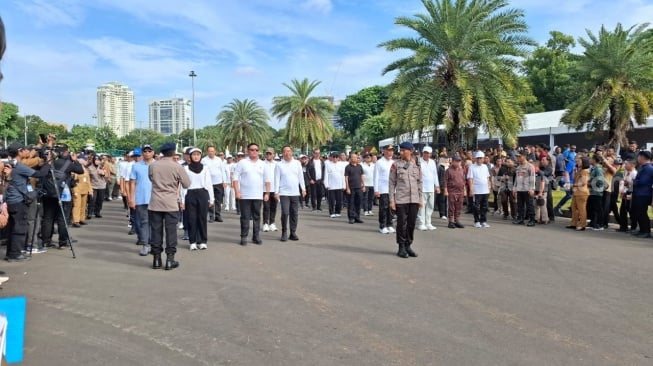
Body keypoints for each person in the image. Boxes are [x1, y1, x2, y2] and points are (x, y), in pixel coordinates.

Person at [4, 142, 49, 261]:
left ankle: (11, 252)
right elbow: (40, 174)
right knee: (20, 228)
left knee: (13, 227)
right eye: (24, 150)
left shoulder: (8, 164)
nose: (27, 152)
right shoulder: (19, 166)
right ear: (19, 151)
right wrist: (48, 163)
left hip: (10, 200)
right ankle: (15, 254)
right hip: (18, 200)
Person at [148, 142, 190, 270]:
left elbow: (151, 179)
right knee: (171, 232)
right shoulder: (177, 167)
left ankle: (156, 259)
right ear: (173, 152)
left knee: (156, 231)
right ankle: (170, 260)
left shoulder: (153, 165)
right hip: (171, 203)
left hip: (155, 202)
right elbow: (186, 184)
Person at [389, 142, 423, 258]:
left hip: (414, 199)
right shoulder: (396, 165)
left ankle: (408, 245)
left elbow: (419, 183)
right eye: (401, 150)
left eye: (404, 150)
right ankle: (401, 247)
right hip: (401, 199)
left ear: (410, 151)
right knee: (401, 224)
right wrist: (392, 200)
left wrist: (420, 199)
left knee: (411, 223)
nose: (401, 152)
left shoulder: (416, 165)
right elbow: (392, 183)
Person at [233, 143, 271, 246]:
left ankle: (256, 237)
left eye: (256, 150)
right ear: (247, 151)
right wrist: (237, 192)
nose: (254, 152)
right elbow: (235, 178)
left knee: (257, 217)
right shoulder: (242, 163)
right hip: (244, 195)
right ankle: (243, 237)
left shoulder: (263, 164)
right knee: (245, 217)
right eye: (252, 150)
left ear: (259, 151)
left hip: (258, 195)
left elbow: (267, 180)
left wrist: (267, 193)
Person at [181, 147, 214, 251]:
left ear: (200, 156)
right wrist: (182, 200)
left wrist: (211, 198)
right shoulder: (185, 169)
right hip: (190, 194)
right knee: (191, 219)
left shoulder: (205, 168)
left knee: (202, 218)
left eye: (198, 155)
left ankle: (203, 241)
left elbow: (209, 183)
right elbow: (183, 186)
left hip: (202, 193)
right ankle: (192, 241)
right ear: (190, 156)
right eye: (194, 155)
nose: (196, 156)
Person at [274, 146, 306, 241]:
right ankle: (284, 232)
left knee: (294, 213)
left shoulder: (297, 163)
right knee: (285, 212)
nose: (287, 153)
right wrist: (276, 192)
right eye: (285, 151)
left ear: (291, 152)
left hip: (295, 192)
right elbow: (276, 179)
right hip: (284, 193)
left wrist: (303, 189)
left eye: (288, 151)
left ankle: (293, 232)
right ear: (282, 153)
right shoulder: (279, 165)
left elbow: (301, 177)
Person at [129, 144, 155, 256]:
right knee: (144, 222)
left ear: (153, 152)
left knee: (156, 223)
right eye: (145, 151)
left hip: (156, 198)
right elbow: (132, 183)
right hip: (141, 198)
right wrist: (131, 198)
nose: (147, 153)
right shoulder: (136, 166)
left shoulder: (158, 165)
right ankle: (145, 245)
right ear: (142, 153)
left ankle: (155, 244)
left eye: (149, 151)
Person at [201, 145, 228, 223]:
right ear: (207, 152)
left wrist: (224, 181)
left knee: (218, 200)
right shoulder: (204, 160)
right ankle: (211, 216)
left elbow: (222, 171)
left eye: (212, 151)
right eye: (209, 151)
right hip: (208, 183)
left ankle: (218, 215)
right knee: (210, 200)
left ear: (215, 152)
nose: (211, 152)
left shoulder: (219, 160)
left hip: (218, 182)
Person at [630, 151, 653, 238]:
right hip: (639, 193)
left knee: (642, 213)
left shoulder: (648, 168)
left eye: (639, 156)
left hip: (643, 194)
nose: (638, 158)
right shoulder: (643, 167)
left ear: (642, 157)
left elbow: (643, 181)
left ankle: (646, 231)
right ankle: (642, 230)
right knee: (639, 212)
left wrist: (633, 182)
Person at [417, 146, 440, 230]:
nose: (427, 154)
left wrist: (437, 186)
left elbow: (435, 175)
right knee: (422, 206)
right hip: (422, 188)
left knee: (430, 206)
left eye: (428, 153)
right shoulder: (418, 162)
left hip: (431, 187)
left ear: (430, 154)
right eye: (425, 152)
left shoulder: (432, 162)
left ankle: (428, 223)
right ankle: (421, 223)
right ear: (423, 153)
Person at [374, 145, 395, 234]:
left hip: (392, 189)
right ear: (384, 151)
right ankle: (382, 225)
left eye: (391, 151)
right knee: (383, 208)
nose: (390, 152)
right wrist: (376, 190)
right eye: (388, 150)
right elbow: (376, 177)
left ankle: (389, 224)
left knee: (391, 208)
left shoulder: (394, 162)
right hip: (383, 188)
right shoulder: (379, 162)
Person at [467, 151, 491, 228]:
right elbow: (470, 179)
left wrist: (489, 187)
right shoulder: (472, 167)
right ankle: (476, 221)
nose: (480, 159)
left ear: (483, 159)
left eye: (481, 158)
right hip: (476, 190)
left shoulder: (485, 167)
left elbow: (487, 178)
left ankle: (483, 221)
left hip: (485, 190)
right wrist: (471, 189)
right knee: (476, 207)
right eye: (478, 158)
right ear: (476, 159)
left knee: (484, 206)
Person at [512, 152, 536, 226]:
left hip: (527, 189)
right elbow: (516, 179)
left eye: (519, 156)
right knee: (520, 205)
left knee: (529, 205)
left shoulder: (530, 166)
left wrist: (532, 189)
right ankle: (520, 219)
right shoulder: (518, 167)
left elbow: (532, 178)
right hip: (520, 189)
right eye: (517, 156)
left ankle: (532, 220)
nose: (518, 158)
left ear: (524, 156)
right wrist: (514, 188)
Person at [444, 156, 466, 229]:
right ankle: (451, 221)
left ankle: (457, 221)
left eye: (459, 161)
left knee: (459, 206)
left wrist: (465, 190)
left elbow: (463, 181)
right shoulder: (448, 170)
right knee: (451, 207)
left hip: (460, 191)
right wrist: (445, 190)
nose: (458, 163)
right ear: (452, 161)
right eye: (456, 161)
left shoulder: (462, 170)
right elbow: (445, 181)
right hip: (452, 191)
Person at [344, 152, 366, 224]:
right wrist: (347, 188)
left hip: (359, 187)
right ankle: (351, 217)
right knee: (351, 203)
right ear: (350, 159)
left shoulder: (360, 166)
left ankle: (357, 217)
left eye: (356, 157)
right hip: (351, 188)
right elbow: (346, 178)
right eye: (353, 157)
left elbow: (362, 176)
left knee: (358, 203)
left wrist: (363, 185)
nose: (354, 158)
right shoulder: (348, 167)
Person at [71, 154, 92, 228]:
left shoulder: (85, 169)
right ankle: (75, 220)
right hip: (77, 189)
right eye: (84, 159)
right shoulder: (75, 169)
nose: (86, 161)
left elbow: (88, 181)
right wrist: (74, 191)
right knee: (77, 205)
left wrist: (90, 190)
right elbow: (73, 181)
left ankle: (81, 219)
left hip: (85, 189)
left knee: (83, 205)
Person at [324, 152, 345, 218]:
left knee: (339, 200)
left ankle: (338, 212)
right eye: (334, 157)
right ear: (331, 158)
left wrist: (344, 185)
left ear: (338, 158)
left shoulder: (341, 165)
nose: (335, 158)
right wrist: (326, 184)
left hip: (339, 185)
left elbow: (343, 175)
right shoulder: (328, 164)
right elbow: (326, 175)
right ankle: (331, 212)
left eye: (336, 157)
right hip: (331, 185)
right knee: (331, 200)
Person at [262, 147, 278, 232]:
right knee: (266, 207)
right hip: (265, 189)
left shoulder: (277, 164)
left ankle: (272, 223)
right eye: (267, 153)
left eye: (270, 153)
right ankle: (265, 223)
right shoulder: (262, 164)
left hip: (275, 189)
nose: (268, 155)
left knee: (273, 207)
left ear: (273, 155)